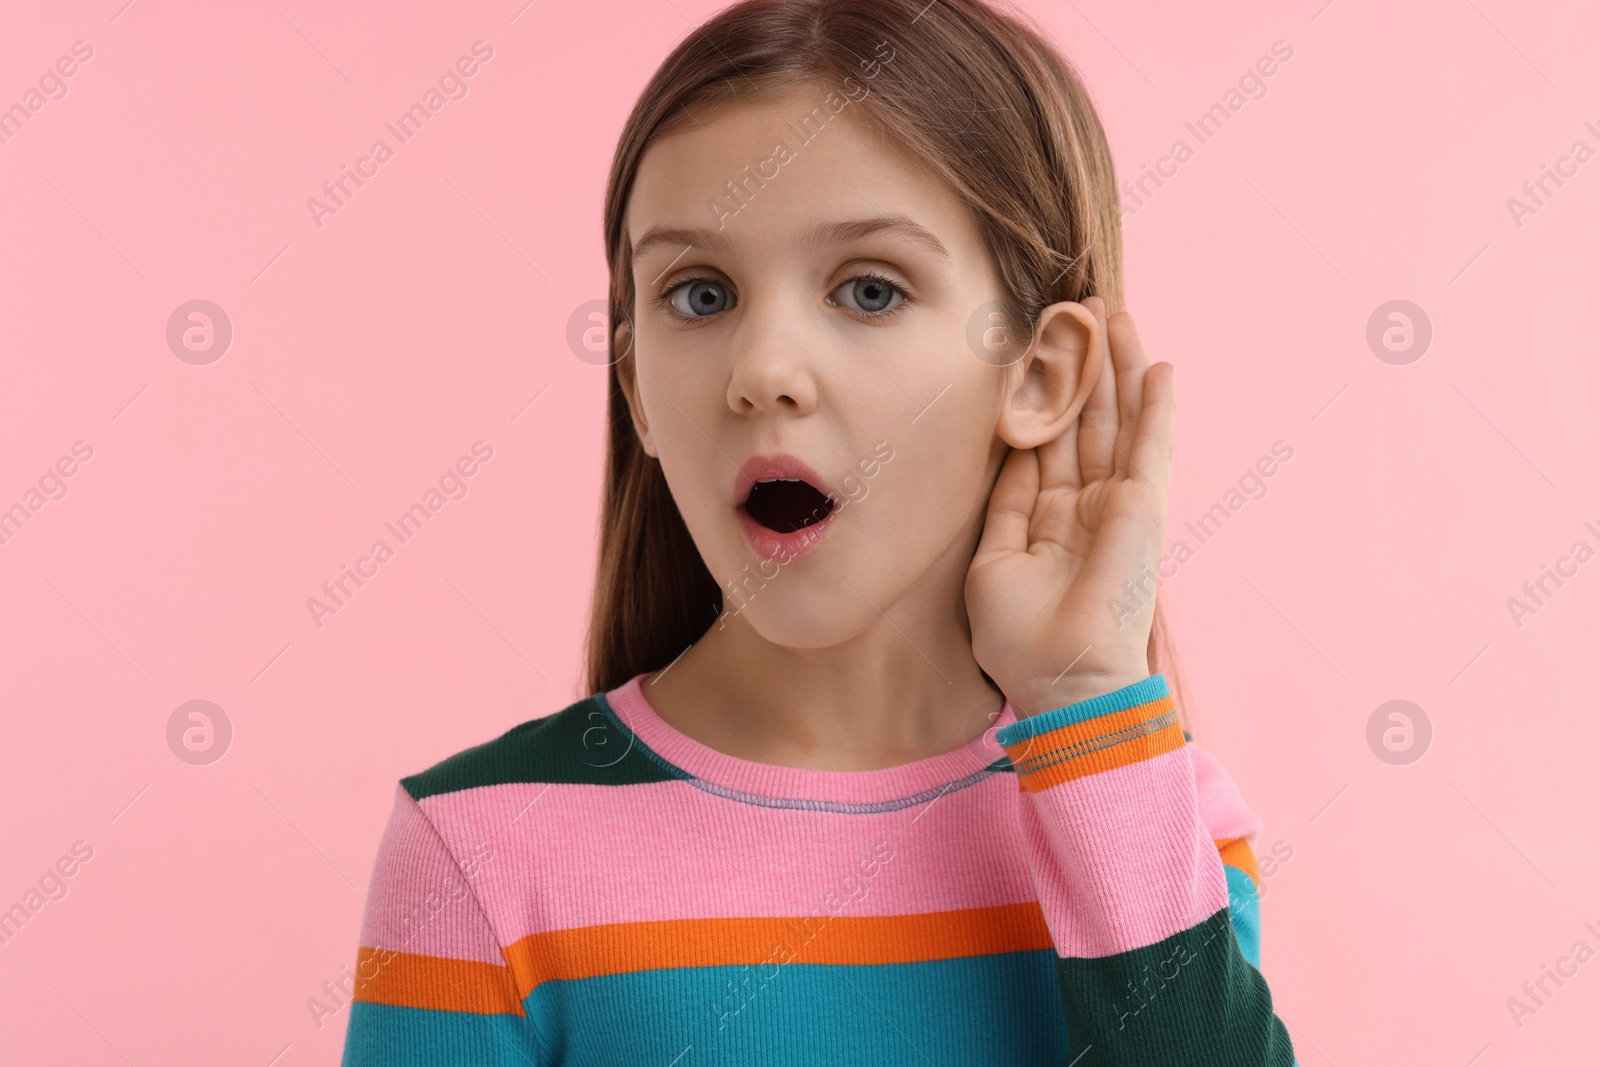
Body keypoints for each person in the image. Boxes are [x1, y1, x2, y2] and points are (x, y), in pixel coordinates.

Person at [340, 0, 1299, 1062]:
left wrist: (1083, 700)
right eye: (699, 294)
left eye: (869, 289)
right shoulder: (477, 846)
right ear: (639, 394)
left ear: (1038, 375)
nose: (761, 372)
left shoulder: (1152, 816)